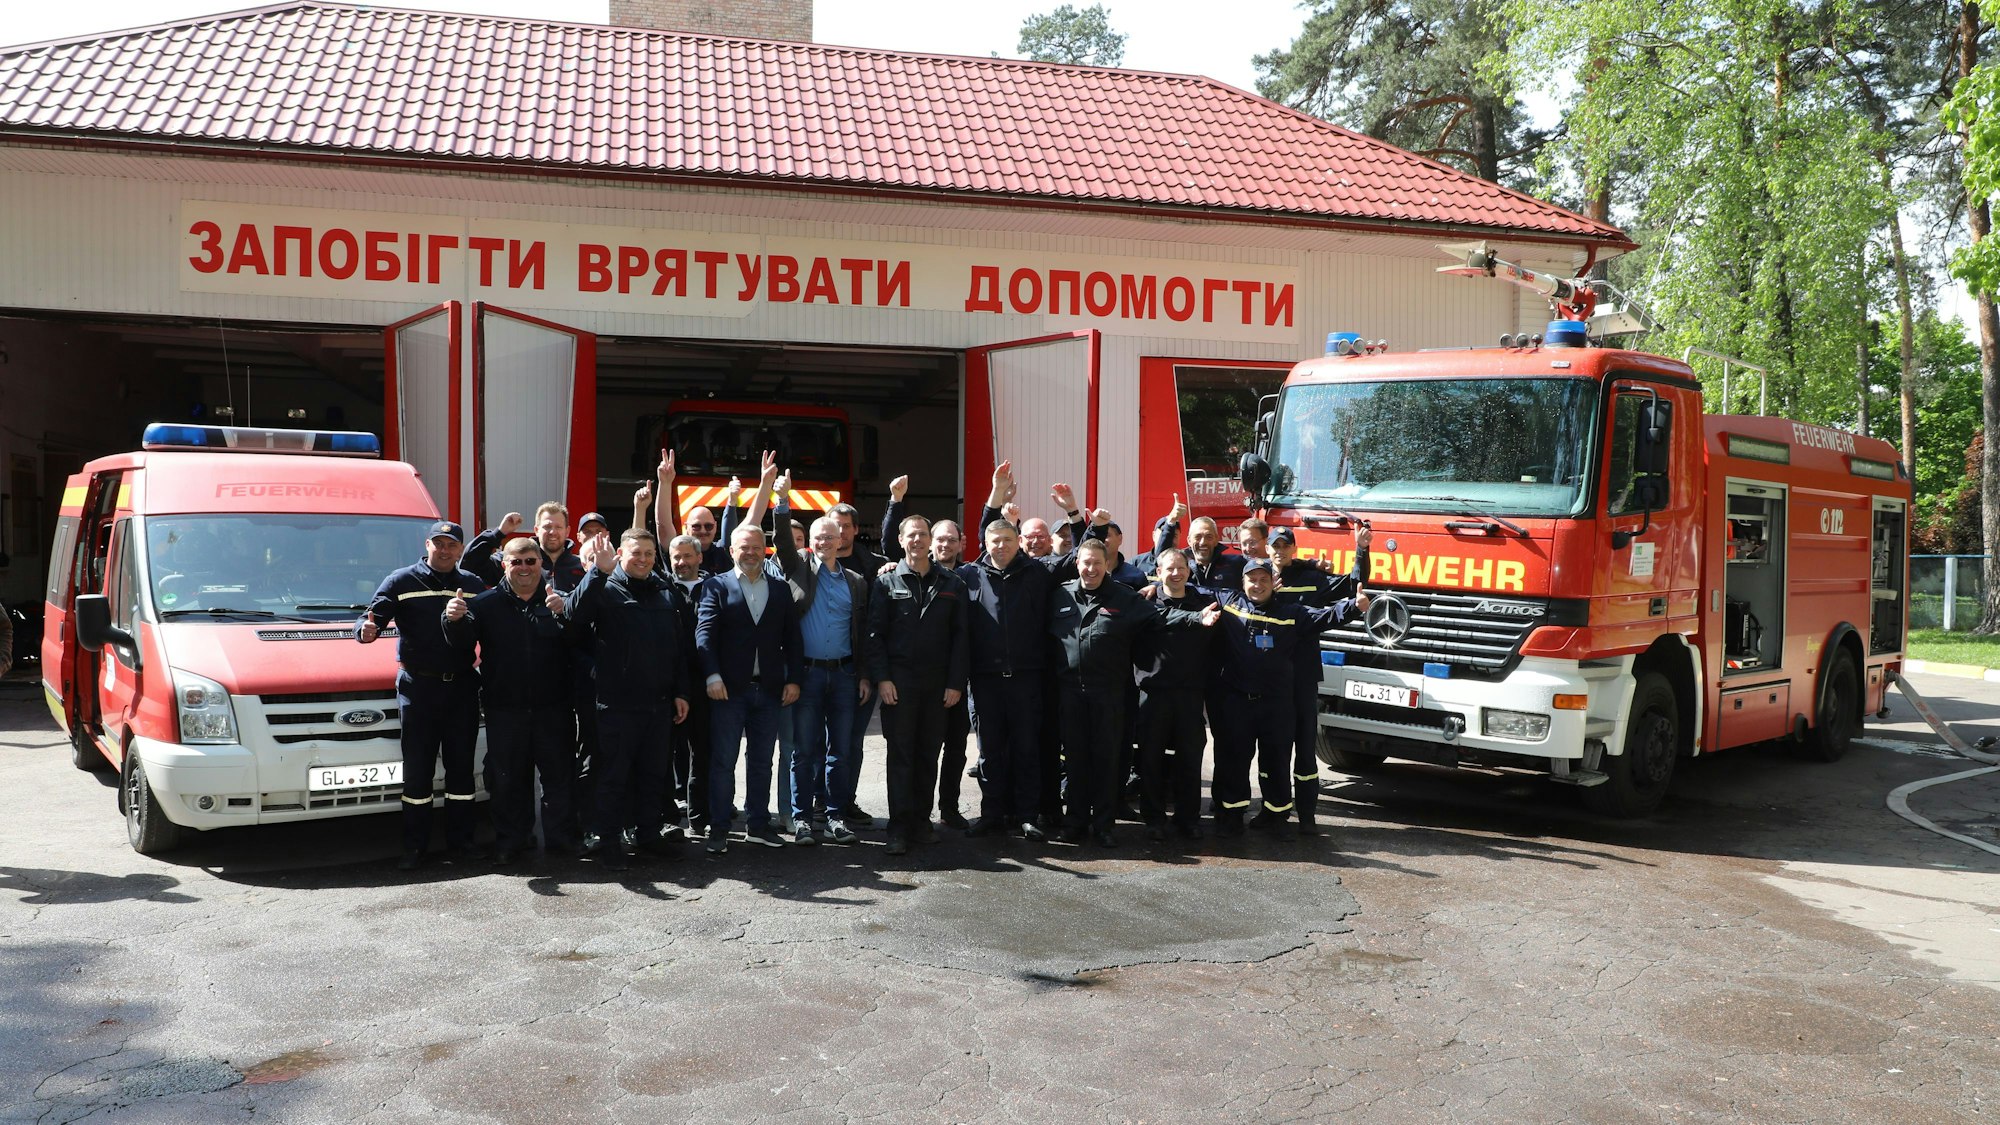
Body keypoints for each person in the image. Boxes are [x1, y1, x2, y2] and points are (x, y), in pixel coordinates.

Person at [357, 520, 488, 871]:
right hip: (419, 689)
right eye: (439, 543)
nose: (445, 550)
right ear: (427, 545)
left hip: (461, 687)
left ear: (460, 550)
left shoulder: (472, 585)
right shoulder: (401, 580)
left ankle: (462, 843)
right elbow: (370, 618)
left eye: (452, 545)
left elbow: (489, 629)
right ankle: (415, 847)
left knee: (462, 771)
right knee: (417, 773)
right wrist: (365, 631)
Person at [1209, 556, 1366, 839]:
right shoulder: (1229, 603)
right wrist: (1152, 588)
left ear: (1274, 583)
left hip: (1276, 705)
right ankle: (1232, 816)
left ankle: (1277, 816)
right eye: (1252, 580)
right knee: (1235, 761)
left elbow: (1325, 616)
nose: (1257, 585)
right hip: (1238, 701)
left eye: (1263, 580)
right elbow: (1192, 590)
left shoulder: (1291, 612)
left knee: (1276, 762)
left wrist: (1354, 607)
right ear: (1243, 583)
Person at [443, 536, 576, 866]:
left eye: (531, 561)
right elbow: (461, 644)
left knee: (558, 778)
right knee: (507, 781)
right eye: (516, 561)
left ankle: (560, 839)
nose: (524, 568)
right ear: (504, 564)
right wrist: (453, 619)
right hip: (506, 709)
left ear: (541, 564)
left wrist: (567, 616)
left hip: (553, 707)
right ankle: (511, 840)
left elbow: (579, 645)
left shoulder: (557, 602)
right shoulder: (485, 604)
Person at [566, 528, 692, 871]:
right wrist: (598, 572)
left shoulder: (664, 591)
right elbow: (573, 619)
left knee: (653, 775)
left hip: (659, 703)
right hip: (617, 704)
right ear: (620, 554)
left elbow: (679, 649)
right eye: (637, 553)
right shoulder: (604, 588)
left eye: (650, 554)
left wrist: (681, 691)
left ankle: (648, 836)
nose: (644, 559)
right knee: (613, 777)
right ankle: (609, 842)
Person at [864, 515, 970, 856]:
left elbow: (960, 640)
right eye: (912, 535)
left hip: (938, 686)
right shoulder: (886, 582)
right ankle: (898, 826)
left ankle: (922, 822)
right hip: (899, 685)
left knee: (928, 755)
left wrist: (955, 684)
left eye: (923, 535)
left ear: (930, 539)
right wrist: (883, 678)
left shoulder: (952, 583)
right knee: (901, 756)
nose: (918, 540)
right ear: (901, 539)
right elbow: (874, 635)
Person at [697, 523, 804, 854]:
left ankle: (758, 825)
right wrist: (712, 676)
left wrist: (794, 679)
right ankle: (719, 828)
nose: (751, 552)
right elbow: (705, 636)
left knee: (762, 761)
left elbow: (793, 640)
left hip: (770, 690)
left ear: (765, 550)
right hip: (728, 691)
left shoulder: (780, 588)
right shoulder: (715, 586)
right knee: (723, 761)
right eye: (744, 547)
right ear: (732, 551)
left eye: (757, 547)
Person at [1048, 538, 1161, 847]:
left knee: (1107, 761)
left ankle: (1104, 825)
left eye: (1098, 562)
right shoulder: (1060, 596)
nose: (1091, 568)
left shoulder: (1124, 598)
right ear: (1077, 564)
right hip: (1070, 693)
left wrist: (1194, 617)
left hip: (1109, 694)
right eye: (1086, 562)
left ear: (1107, 565)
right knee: (1075, 760)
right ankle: (1076, 822)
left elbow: (1160, 618)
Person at [774, 500, 871, 846]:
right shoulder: (800, 570)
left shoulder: (857, 581)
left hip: (844, 675)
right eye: (818, 537)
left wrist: (863, 675)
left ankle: (834, 816)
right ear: (809, 542)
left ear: (841, 540)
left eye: (830, 537)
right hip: (808, 675)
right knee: (803, 750)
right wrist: (781, 503)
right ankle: (801, 819)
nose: (825, 542)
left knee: (840, 751)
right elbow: (784, 543)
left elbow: (862, 633)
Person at [957, 517, 1055, 840]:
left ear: (1019, 543)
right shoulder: (968, 575)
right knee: (989, 752)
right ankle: (991, 814)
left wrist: (1077, 517)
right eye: (994, 540)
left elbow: (1077, 560)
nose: (1000, 546)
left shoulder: (1037, 573)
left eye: (1007, 540)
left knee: (1027, 749)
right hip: (986, 681)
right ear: (984, 542)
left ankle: (1028, 815)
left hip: (1027, 679)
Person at [1268, 525, 1369, 835]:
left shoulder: (1312, 580)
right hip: (1270, 679)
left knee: (1304, 746)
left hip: (1303, 677)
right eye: (1275, 545)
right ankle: (1274, 812)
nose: (1280, 550)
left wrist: (1361, 550)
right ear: (1267, 549)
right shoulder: (1257, 579)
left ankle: (1308, 815)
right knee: (1274, 748)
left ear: (1294, 549)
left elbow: (1353, 583)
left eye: (1286, 545)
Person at [1137, 547, 1222, 841]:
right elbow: (1164, 618)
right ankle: (1153, 819)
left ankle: (1188, 818)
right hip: (1153, 693)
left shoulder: (1204, 602)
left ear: (1189, 570)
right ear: (1158, 572)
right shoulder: (1146, 602)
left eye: (1181, 568)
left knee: (1190, 758)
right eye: (1169, 568)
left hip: (1190, 694)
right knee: (1151, 758)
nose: (1175, 573)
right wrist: (1195, 618)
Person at [830, 499, 889, 829]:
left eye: (845, 526)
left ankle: (845, 801)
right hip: (819, 669)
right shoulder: (811, 565)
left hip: (857, 670)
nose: (839, 532)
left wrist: (867, 673)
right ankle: (818, 802)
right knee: (817, 743)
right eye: (833, 526)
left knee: (851, 741)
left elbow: (875, 627)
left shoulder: (874, 567)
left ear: (855, 530)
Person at [663, 533, 714, 836]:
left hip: (705, 683)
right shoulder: (661, 589)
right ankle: (668, 818)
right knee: (663, 754)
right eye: (676, 557)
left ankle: (700, 817)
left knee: (703, 753)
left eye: (687, 556)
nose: (681, 562)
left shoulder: (717, 589)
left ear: (699, 558)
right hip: (668, 685)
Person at [461, 500, 589, 591]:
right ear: (536, 530)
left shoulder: (583, 566)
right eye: (547, 526)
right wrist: (499, 533)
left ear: (567, 531)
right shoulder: (515, 561)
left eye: (558, 527)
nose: (552, 532)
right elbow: (470, 564)